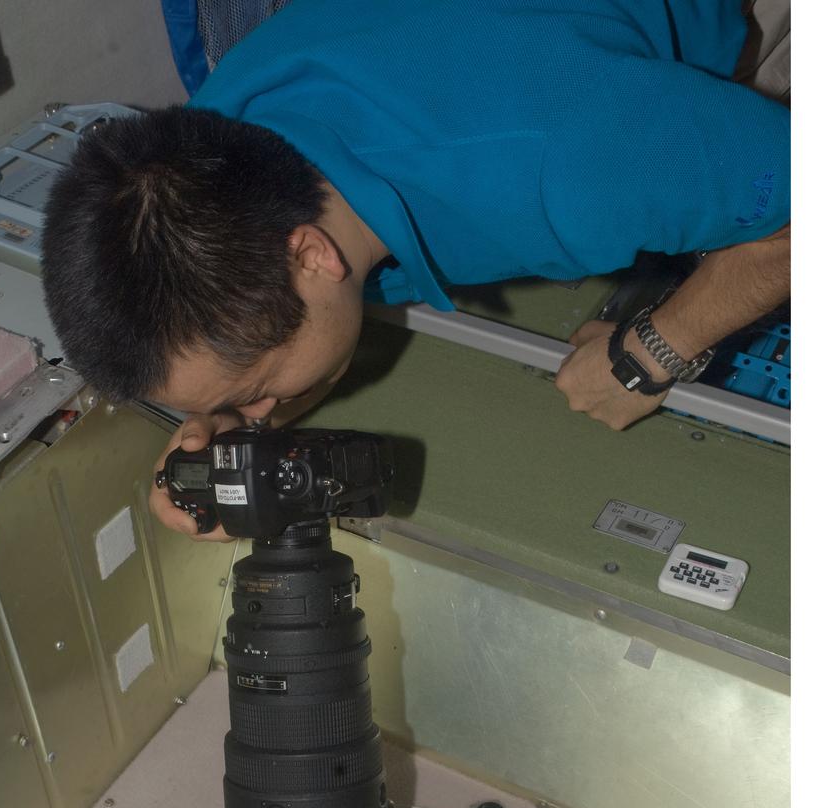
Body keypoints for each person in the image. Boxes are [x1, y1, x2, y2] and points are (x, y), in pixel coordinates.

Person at [42, 0, 790, 543]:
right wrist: (230, 419)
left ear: (310, 255)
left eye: (260, 388)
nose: (268, 410)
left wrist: (648, 354)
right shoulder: (217, 138)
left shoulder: (562, 164)